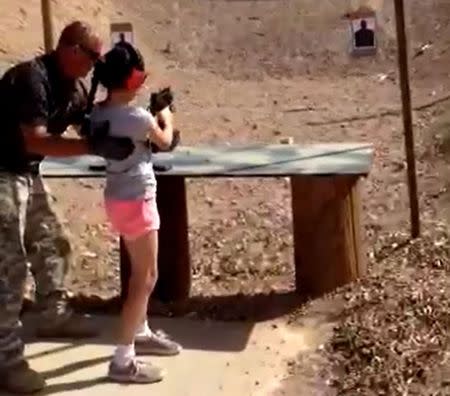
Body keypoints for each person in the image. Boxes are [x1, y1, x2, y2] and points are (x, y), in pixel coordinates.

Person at [0, 21, 135, 393]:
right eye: (92, 56)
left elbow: (87, 123)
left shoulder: (71, 88)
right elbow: (35, 141)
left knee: (52, 240)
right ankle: (6, 359)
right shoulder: (31, 79)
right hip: (3, 170)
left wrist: (139, 122)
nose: (94, 64)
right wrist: (94, 148)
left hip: (23, 172)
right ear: (70, 50)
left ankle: (53, 314)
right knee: (8, 268)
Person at [89, 42, 182, 384]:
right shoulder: (139, 118)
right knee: (145, 279)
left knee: (138, 275)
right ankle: (123, 359)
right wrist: (166, 113)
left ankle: (139, 332)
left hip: (117, 199)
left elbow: (122, 119)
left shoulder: (99, 113)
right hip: (138, 200)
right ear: (131, 80)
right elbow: (165, 140)